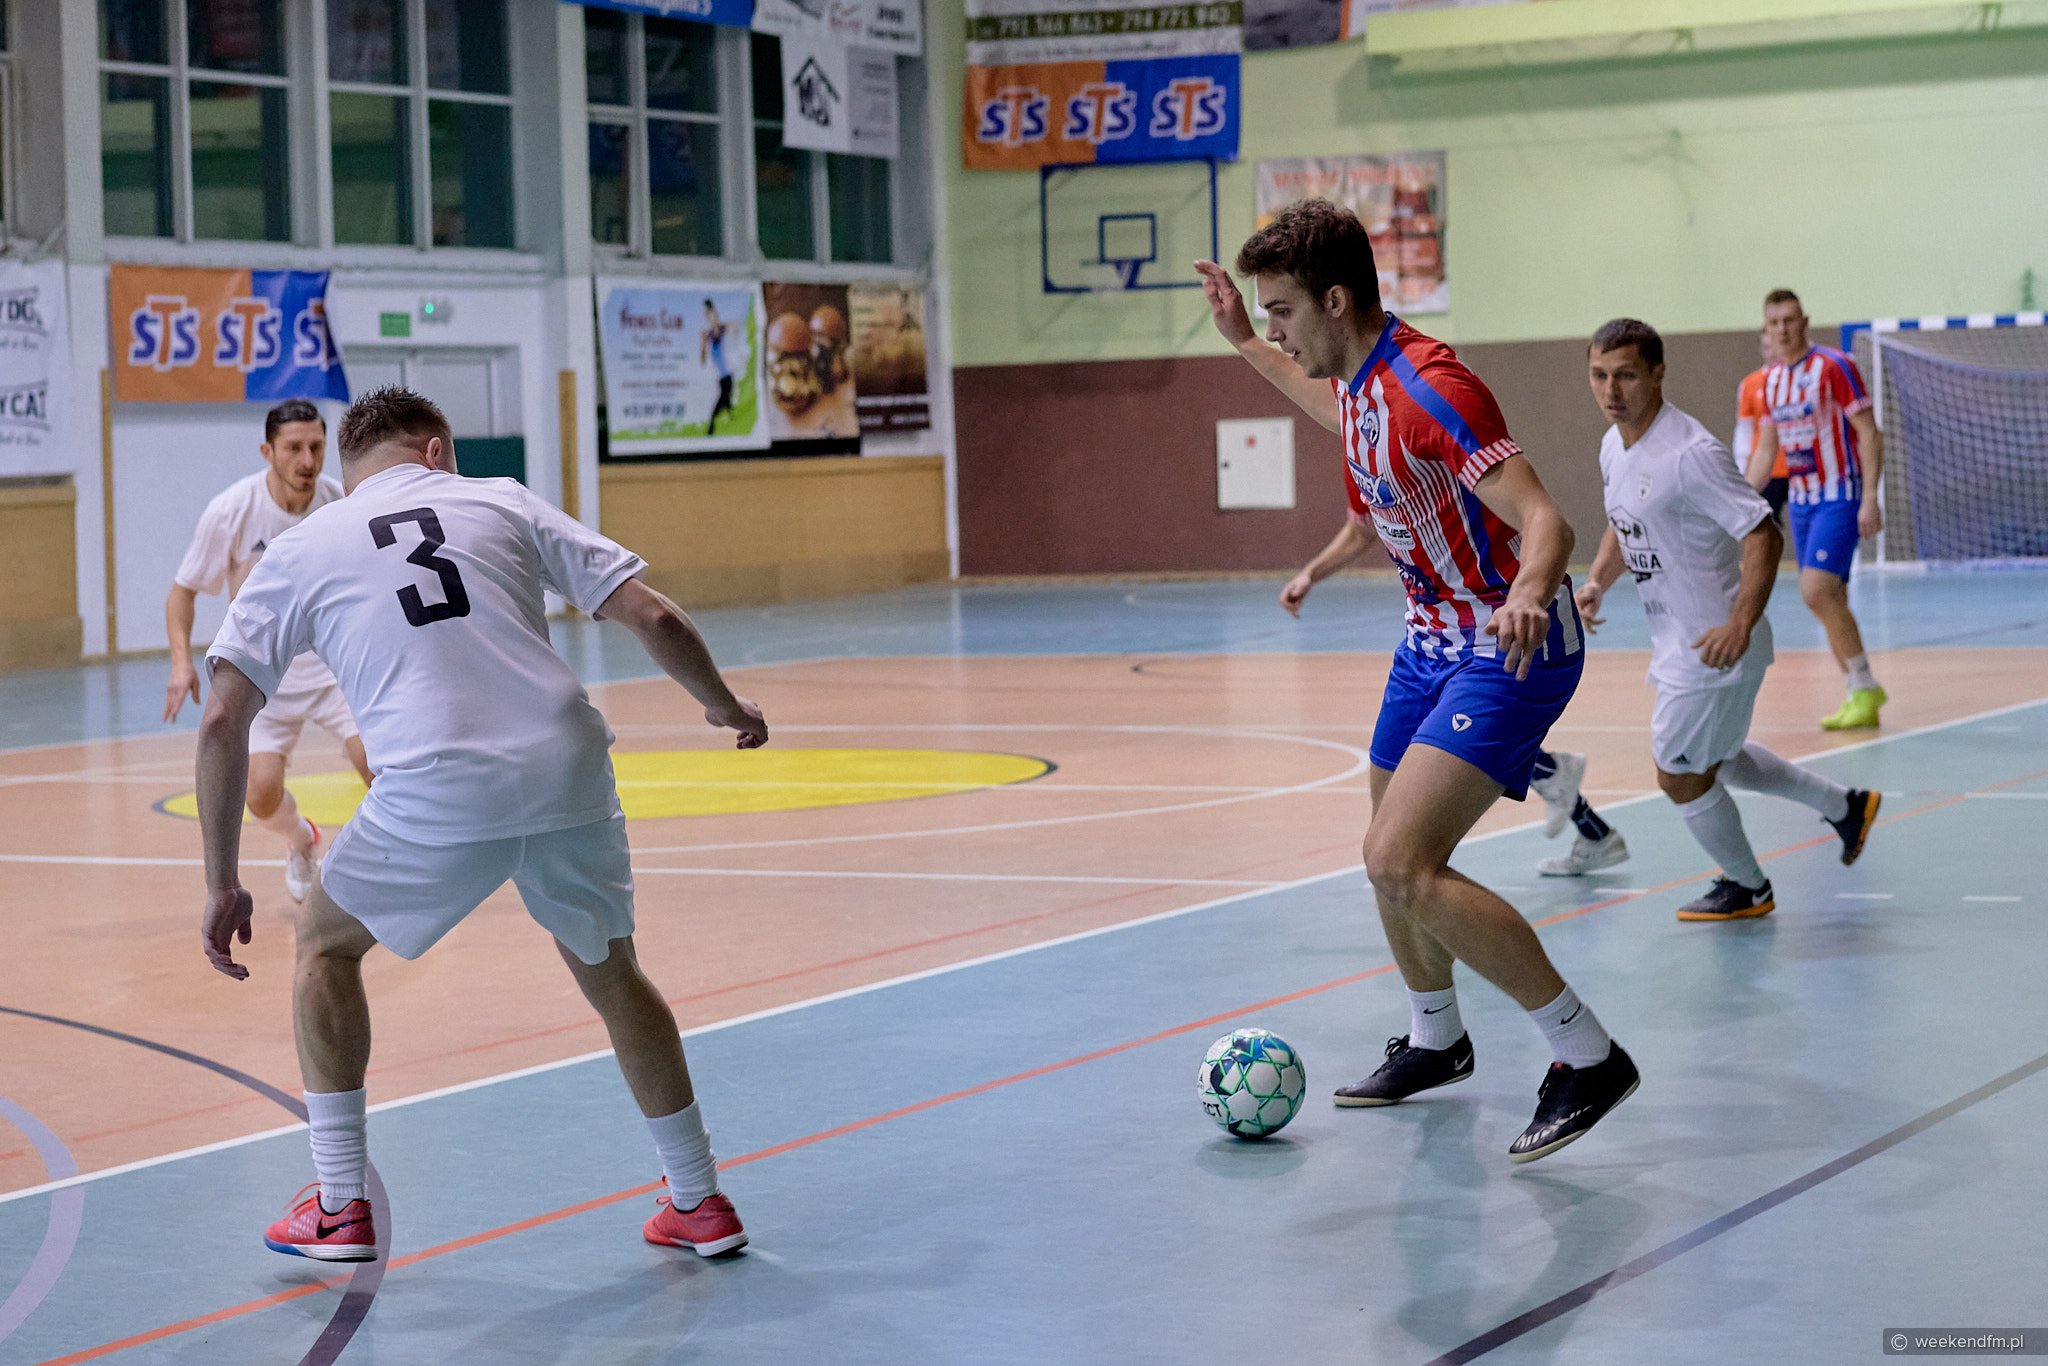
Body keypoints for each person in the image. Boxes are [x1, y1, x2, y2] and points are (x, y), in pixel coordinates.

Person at [194, 387, 768, 1262]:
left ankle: (340, 1204)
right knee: (614, 973)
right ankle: (699, 1198)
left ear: (353, 466)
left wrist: (221, 880)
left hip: (438, 783)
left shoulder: (305, 544)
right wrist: (723, 705)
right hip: (567, 764)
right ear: (434, 451)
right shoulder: (500, 498)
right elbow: (654, 613)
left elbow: (220, 720)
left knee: (325, 947)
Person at [1197, 199, 1636, 1163]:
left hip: (1508, 642)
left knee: (1401, 862)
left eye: (1282, 311)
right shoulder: (1356, 381)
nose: (1276, 328)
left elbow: (1546, 518)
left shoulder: (1434, 389)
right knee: (1383, 849)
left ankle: (1587, 1056)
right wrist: (1243, 342)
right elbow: (1319, 396)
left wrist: (1529, 592)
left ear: (1336, 301)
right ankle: (1437, 1040)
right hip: (1427, 644)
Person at [1580, 320, 1883, 920]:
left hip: (1714, 646)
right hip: (1676, 640)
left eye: (1626, 375)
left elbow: (1763, 535)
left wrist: (1739, 624)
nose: (1611, 390)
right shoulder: (1614, 445)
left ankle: (1749, 887)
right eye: (1599, 375)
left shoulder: (1689, 453)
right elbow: (1625, 518)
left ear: (1658, 374)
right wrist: (1595, 582)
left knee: (1678, 775)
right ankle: (1846, 807)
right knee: (1716, 757)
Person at [1279, 525, 1628, 877]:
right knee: (1393, 843)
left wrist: (1531, 593)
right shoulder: (1374, 494)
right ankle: (1578, 809)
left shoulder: (1460, 505)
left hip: (1495, 637)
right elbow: (1358, 529)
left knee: (1404, 853)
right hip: (1431, 645)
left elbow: (1551, 526)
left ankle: (1555, 779)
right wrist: (1310, 575)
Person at [164, 399, 372, 904]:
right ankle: (301, 839)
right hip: (265, 670)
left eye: (316, 447)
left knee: (379, 766)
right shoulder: (232, 510)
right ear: (267, 451)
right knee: (259, 795)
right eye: (294, 448)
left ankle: (389, 868)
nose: (308, 460)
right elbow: (183, 592)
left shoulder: (341, 505)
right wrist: (181, 663)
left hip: (334, 665)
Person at [1743, 289, 1888, 730]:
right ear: (1765, 329)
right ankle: (1858, 691)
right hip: (1803, 502)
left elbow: (1870, 432)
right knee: (1831, 597)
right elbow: (1766, 450)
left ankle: (1865, 685)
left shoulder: (1834, 366)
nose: (1782, 329)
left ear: (1804, 321)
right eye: (1774, 322)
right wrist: (1739, 499)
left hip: (1839, 494)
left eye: (1789, 320)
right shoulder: (1770, 381)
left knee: (1815, 590)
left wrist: (1869, 497)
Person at [1732, 331, 1788, 521]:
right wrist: (1742, 471)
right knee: (1766, 523)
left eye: (1774, 346)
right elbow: (1744, 430)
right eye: (1766, 347)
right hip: (1767, 470)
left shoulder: (1799, 379)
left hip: (1798, 468)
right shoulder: (1750, 384)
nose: (1772, 352)